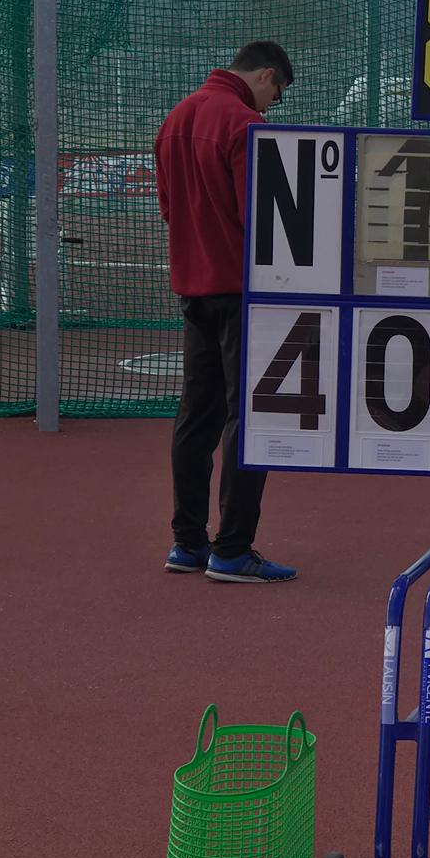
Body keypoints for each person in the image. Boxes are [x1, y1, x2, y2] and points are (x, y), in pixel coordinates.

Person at [154, 41, 299, 584]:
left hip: (193, 290)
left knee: (196, 419)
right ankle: (233, 549)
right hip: (243, 294)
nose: (270, 107)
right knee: (250, 417)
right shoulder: (243, 125)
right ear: (265, 76)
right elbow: (260, 219)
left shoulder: (175, 118)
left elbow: (169, 210)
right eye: (275, 94)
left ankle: (187, 544)